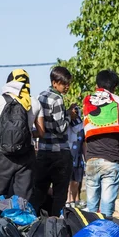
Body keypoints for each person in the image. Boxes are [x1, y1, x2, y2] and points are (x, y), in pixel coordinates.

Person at [82, 69, 119, 217]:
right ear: (114, 86)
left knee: (91, 208)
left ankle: (90, 236)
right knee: (107, 209)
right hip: (111, 160)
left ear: (97, 84)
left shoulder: (87, 102)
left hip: (91, 159)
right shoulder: (118, 101)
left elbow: (87, 130)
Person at [0, 69, 44, 201]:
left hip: (4, 153)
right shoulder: (35, 102)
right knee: (23, 197)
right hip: (26, 154)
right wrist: (25, 134)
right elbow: (41, 132)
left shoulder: (0, 99)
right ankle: (21, 220)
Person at [31, 66, 76, 216]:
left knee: (39, 191)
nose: (67, 87)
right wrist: (70, 115)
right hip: (59, 153)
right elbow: (60, 128)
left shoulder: (41, 96)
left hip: (43, 151)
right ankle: (56, 223)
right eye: (64, 83)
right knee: (59, 194)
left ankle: (32, 221)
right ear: (55, 82)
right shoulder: (57, 99)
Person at [66, 106, 85, 208]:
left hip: (78, 155)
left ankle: (75, 200)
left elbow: (83, 143)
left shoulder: (82, 126)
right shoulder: (66, 124)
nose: (75, 113)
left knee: (76, 181)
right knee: (68, 180)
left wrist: (86, 158)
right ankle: (68, 200)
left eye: (77, 112)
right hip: (68, 154)